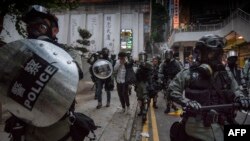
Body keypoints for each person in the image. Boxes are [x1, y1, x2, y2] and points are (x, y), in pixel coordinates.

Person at [2, 5, 93, 141]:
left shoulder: (67, 52)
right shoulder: (20, 54)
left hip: (56, 127)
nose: (34, 30)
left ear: (54, 30)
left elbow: (74, 73)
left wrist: (48, 49)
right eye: (30, 27)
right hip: (24, 126)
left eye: (40, 26)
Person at [169, 34, 250, 141]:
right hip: (198, 127)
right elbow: (172, 90)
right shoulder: (189, 73)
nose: (217, 58)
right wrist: (186, 101)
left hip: (224, 122)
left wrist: (241, 98)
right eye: (212, 54)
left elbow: (236, 89)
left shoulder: (225, 73)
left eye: (219, 54)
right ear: (201, 54)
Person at [158, 48, 183, 113]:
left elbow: (181, 71)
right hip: (166, 81)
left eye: (169, 55)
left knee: (174, 95)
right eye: (167, 55)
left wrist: (178, 79)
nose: (168, 56)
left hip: (174, 81)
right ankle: (169, 107)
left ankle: (173, 106)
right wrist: (161, 78)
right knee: (167, 95)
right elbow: (160, 72)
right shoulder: (163, 63)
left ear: (172, 55)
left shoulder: (176, 63)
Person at [135, 51, 152, 119]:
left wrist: (144, 65)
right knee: (139, 98)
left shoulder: (148, 64)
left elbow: (150, 70)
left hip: (146, 82)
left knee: (145, 98)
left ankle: (145, 111)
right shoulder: (138, 64)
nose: (142, 58)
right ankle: (141, 110)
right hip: (139, 83)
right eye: (140, 56)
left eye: (143, 56)